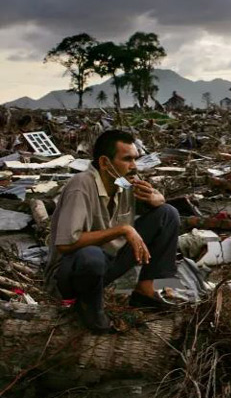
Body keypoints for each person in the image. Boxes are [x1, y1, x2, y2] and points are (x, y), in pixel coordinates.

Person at [44, 130, 179, 333]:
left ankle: (148, 290)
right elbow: (66, 244)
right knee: (91, 254)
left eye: (135, 159)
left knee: (168, 214)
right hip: (70, 275)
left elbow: (158, 202)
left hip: (106, 266)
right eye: (127, 159)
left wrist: (156, 199)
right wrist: (123, 230)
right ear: (105, 163)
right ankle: (89, 308)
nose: (134, 166)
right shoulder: (81, 185)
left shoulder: (121, 182)